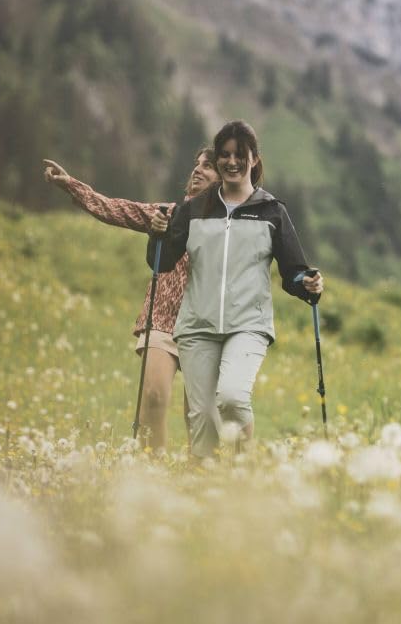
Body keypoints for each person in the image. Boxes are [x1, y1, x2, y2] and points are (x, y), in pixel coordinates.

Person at [150, 120, 322, 458]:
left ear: (254, 159)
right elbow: (162, 262)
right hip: (197, 327)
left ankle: (245, 471)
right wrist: (157, 233)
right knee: (201, 419)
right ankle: (207, 492)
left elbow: (293, 272)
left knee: (231, 397)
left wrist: (310, 283)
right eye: (224, 156)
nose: (232, 162)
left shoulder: (272, 211)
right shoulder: (194, 209)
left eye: (239, 155)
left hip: (248, 325)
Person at [42, 148, 218, 452]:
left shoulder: (227, 227)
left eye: (208, 166)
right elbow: (117, 209)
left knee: (200, 413)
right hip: (162, 318)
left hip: (204, 325)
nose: (197, 170)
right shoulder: (167, 213)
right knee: (153, 396)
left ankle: (200, 476)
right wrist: (71, 184)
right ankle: (153, 474)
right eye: (196, 164)